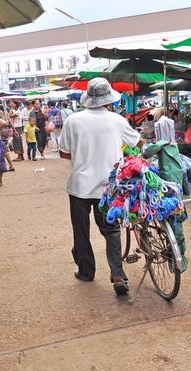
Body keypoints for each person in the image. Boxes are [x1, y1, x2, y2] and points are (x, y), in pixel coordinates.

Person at [59, 78, 142, 297]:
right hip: (108, 187)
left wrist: (82, 156)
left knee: (81, 231)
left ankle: (86, 271)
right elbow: (136, 142)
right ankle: (117, 273)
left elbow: (64, 152)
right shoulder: (117, 120)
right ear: (108, 99)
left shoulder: (73, 121)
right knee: (111, 230)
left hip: (79, 186)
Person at [0, 98, 15, 171]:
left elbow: (0, 123)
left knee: (3, 149)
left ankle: (11, 165)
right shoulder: (5, 111)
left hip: (1, 130)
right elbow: (9, 121)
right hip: (6, 131)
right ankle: (0, 165)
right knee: (2, 148)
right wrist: (14, 130)